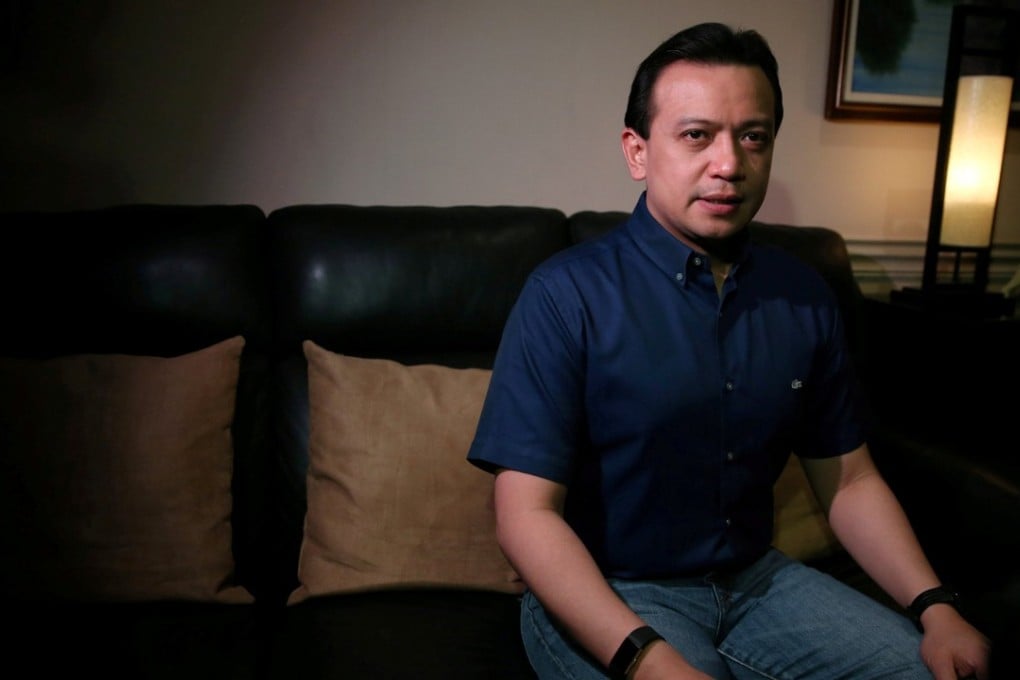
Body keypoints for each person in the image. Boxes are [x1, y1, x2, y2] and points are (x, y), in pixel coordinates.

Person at [467, 21, 991, 680]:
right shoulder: (565, 295)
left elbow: (850, 480)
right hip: (609, 590)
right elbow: (523, 516)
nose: (729, 164)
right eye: (696, 135)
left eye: (753, 137)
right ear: (637, 151)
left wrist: (936, 608)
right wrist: (646, 656)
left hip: (756, 581)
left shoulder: (801, 293)